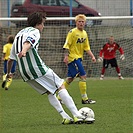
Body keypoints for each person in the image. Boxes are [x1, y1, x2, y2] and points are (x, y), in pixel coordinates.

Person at [6, 12, 91, 125]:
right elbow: (29, 42)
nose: (43, 26)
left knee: (49, 92)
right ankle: (77, 115)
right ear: (38, 23)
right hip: (37, 68)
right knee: (60, 86)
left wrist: (9, 73)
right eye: (43, 23)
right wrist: (24, 50)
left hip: (24, 73)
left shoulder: (18, 34)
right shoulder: (34, 31)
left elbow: (11, 59)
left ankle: (65, 117)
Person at [57, 14, 96, 104]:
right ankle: (84, 99)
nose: (81, 23)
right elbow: (67, 45)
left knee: (70, 78)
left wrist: (92, 56)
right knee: (83, 75)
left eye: (82, 22)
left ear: (85, 23)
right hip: (73, 58)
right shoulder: (72, 32)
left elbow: (86, 47)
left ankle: (59, 97)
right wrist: (66, 56)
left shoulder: (84, 33)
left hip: (79, 58)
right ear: (76, 22)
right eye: (79, 21)